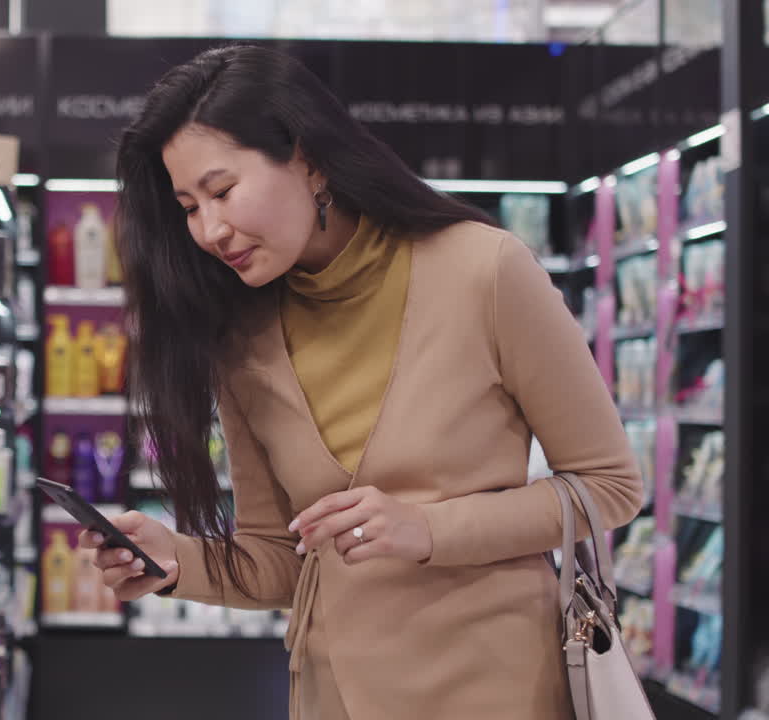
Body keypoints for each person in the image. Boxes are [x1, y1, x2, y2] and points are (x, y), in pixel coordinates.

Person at [77, 44, 644, 720]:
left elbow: (609, 487)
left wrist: (428, 528)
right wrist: (174, 559)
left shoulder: (483, 271)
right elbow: (282, 557)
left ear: (308, 159)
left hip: (495, 688)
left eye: (222, 191)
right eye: (188, 206)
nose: (210, 229)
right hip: (332, 695)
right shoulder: (241, 334)